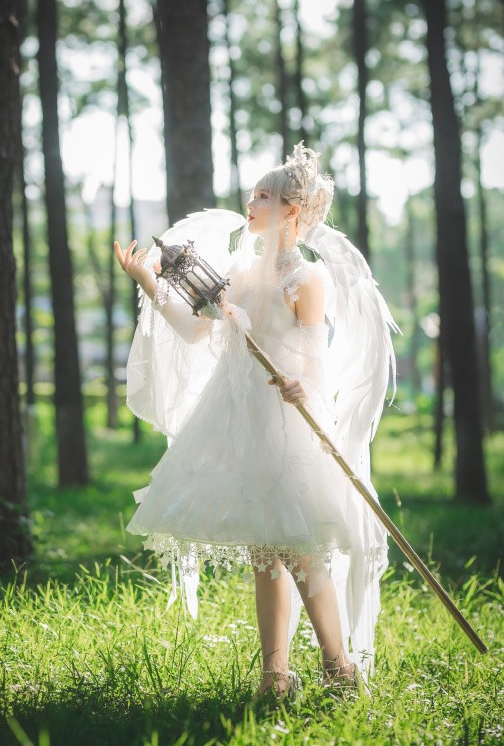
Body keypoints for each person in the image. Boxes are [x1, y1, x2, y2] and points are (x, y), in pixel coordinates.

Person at [114, 143, 397, 700]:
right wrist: (148, 281)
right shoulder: (239, 273)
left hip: (283, 422)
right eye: (253, 193)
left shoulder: (306, 279)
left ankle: (338, 665)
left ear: (292, 209)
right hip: (238, 420)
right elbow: (196, 331)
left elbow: (315, 362)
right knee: (264, 554)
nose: (251, 202)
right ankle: (275, 674)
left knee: (299, 549)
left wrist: (301, 385)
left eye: (264, 196)